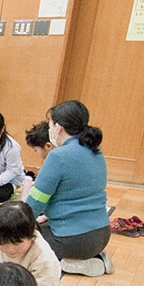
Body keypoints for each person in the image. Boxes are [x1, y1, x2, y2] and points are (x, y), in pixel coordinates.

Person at [25, 100, 112, 276]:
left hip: (73, 240)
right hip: (102, 235)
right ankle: (92, 256)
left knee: (21, 239)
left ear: (58, 128)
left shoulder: (58, 156)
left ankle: (72, 261)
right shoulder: (96, 150)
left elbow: (34, 204)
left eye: (50, 125)